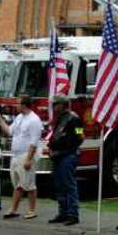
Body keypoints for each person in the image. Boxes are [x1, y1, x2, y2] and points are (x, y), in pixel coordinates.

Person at [0, 96, 43, 220]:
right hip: (16, 155)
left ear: (25, 105)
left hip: (26, 154)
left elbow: (34, 141)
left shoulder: (34, 120)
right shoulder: (19, 118)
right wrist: (0, 120)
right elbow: (9, 131)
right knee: (18, 184)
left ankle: (32, 210)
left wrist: (29, 159)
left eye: (18, 103)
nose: (16, 105)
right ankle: (13, 209)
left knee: (29, 184)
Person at [47, 95, 83, 225]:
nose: (54, 107)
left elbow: (80, 136)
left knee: (69, 185)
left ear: (63, 105)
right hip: (58, 156)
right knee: (59, 186)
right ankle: (63, 212)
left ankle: (73, 214)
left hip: (68, 155)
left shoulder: (74, 119)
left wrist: (65, 144)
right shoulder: (59, 119)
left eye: (56, 104)